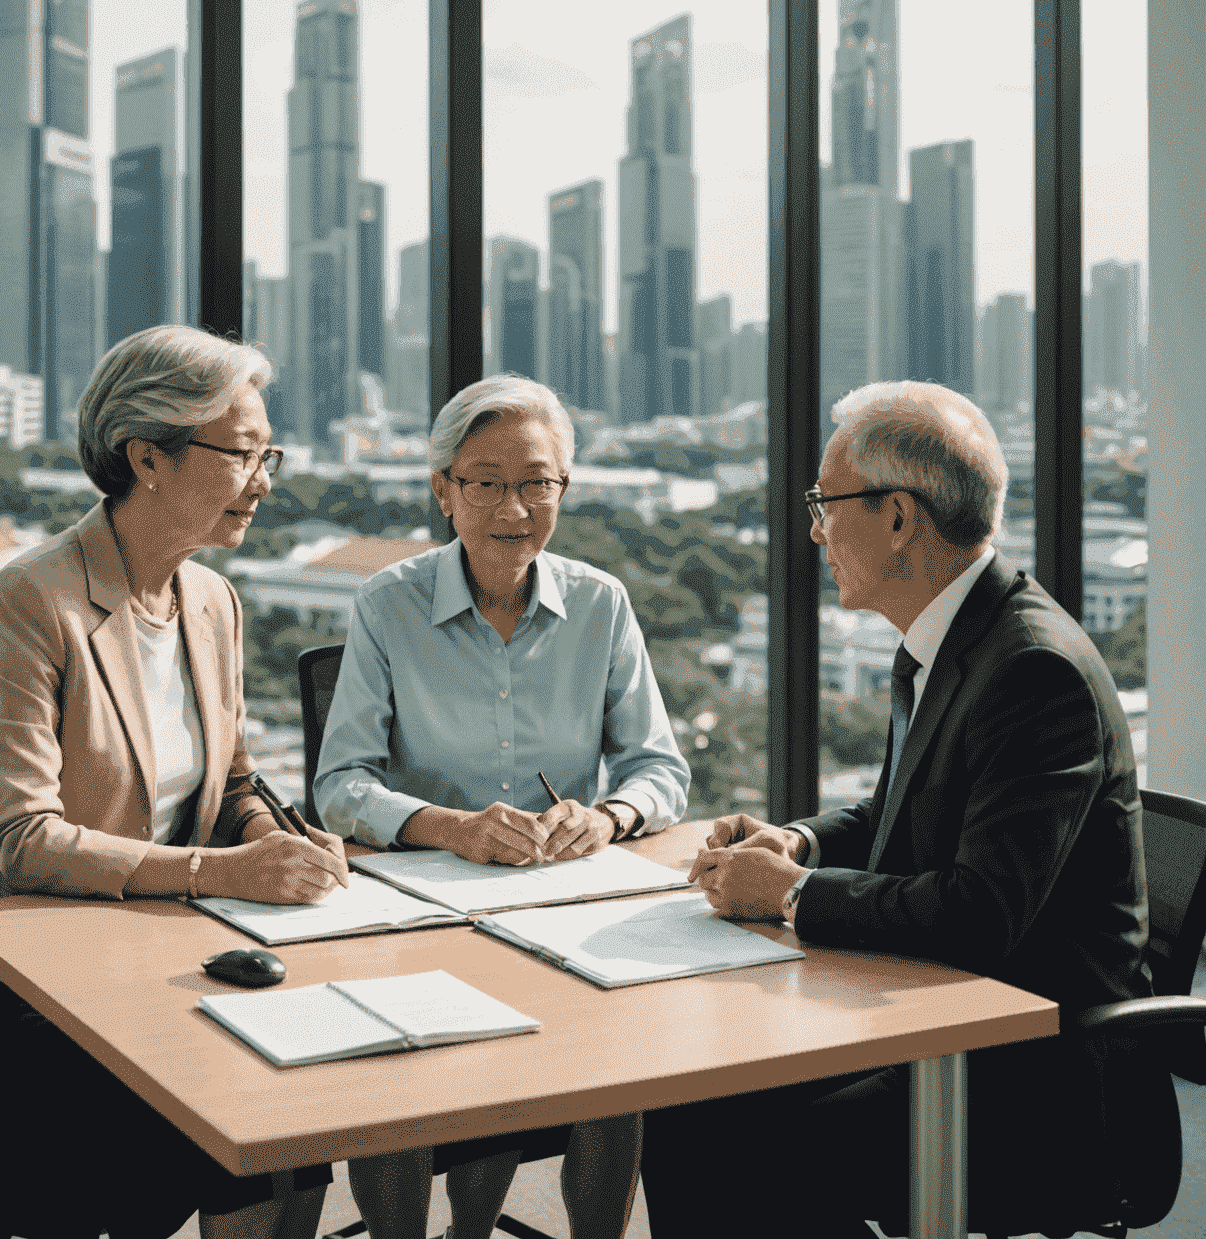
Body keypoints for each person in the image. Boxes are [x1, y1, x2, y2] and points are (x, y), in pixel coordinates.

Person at [639, 380, 1168, 1239]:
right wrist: (798, 843)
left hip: (1035, 1077)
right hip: (940, 1017)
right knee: (689, 1104)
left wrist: (786, 896)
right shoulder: (955, 638)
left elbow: (978, 913)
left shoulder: (1035, 671)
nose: (815, 532)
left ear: (896, 517)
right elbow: (898, 811)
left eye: (825, 504)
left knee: (737, 1141)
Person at [0, 325, 349, 1239]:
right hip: (15, 987)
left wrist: (272, 835)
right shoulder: (31, 602)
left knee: (302, 1094)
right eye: (243, 453)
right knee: (225, 1107)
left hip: (147, 951)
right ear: (148, 457)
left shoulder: (211, 599)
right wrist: (219, 872)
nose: (267, 477)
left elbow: (232, 781)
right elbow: (20, 841)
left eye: (271, 451)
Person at [315, 374, 690, 1239]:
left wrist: (607, 818)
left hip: (560, 903)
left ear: (565, 488)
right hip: (422, 914)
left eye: (538, 481)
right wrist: (452, 827)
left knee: (617, 1062)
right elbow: (340, 788)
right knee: (399, 1062)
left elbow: (658, 769)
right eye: (485, 482)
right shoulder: (387, 603)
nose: (513, 507)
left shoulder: (601, 604)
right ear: (443, 490)